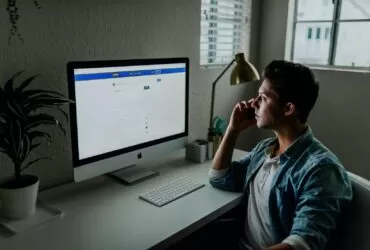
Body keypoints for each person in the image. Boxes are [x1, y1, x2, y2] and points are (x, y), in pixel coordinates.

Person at [208, 60, 353, 250]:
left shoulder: (322, 170)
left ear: (288, 108)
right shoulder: (265, 149)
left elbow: (301, 244)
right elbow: (220, 177)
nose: (253, 103)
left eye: (263, 98)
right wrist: (233, 129)